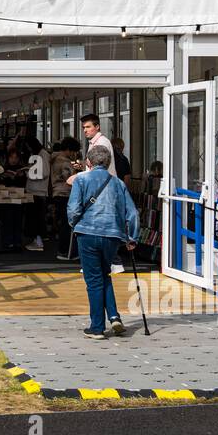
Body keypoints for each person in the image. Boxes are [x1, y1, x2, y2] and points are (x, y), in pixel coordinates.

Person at [67, 144, 139, 340]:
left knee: (93, 280)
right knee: (104, 274)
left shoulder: (81, 180)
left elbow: (73, 209)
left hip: (87, 233)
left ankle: (97, 327)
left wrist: (75, 224)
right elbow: (132, 213)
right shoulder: (118, 184)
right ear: (108, 164)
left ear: (88, 162)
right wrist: (131, 238)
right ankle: (114, 316)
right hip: (112, 236)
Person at [50, 138, 79, 260]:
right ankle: (65, 251)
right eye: (73, 151)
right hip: (65, 194)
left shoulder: (55, 158)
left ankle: (63, 251)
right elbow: (71, 179)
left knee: (63, 223)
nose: (74, 154)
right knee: (67, 224)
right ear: (68, 149)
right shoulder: (65, 162)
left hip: (57, 193)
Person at [67, 113, 115, 186]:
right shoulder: (93, 142)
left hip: (104, 187)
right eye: (84, 127)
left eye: (88, 127)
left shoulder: (102, 142)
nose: (85, 130)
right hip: (99, 185)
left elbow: (99, 169)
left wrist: (78, 176)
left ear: (97, 127)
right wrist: (83, 165)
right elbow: (94, 166)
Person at [24, 137, 49, 250]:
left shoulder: (42, 155)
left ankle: (38, 242)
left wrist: (28, 174)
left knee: (36, 218)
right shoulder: (41, 154)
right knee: (36, 217)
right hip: (37, 191)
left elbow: (44, 172)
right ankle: (37, 240)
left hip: (37, 191)